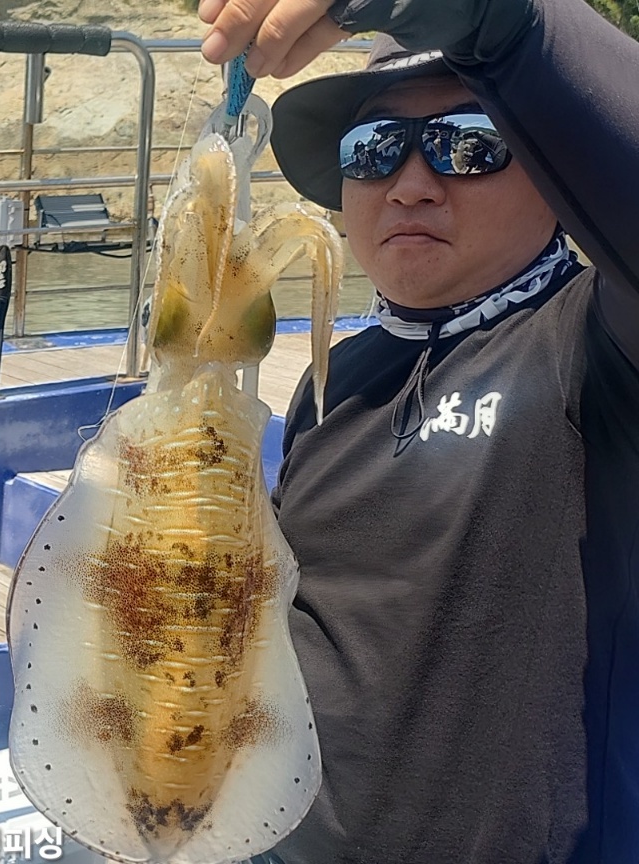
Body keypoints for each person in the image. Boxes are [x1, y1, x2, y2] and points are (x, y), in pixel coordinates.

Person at [197, 0, 637, 861]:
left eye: (467, 143)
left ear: (556, 175)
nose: (410, 184)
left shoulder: (598, 346)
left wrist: (505, 18)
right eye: (374, 149)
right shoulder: (334, 378)